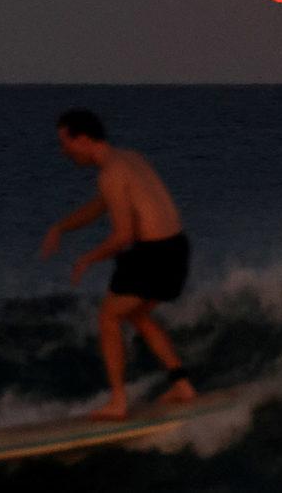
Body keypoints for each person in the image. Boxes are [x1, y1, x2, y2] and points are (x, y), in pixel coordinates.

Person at [42, 109, 197, 420]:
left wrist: (87, 258)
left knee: (108, 318)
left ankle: (118, 402)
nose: (63, 152)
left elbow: (122, 236)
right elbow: (98, 207)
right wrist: (60, 227)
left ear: (82, 139)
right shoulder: (129, 158)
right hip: (177, 247)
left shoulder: (110, 173)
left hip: (152, 254)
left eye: (65, 143)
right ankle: (182, 385)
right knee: (137, 314)